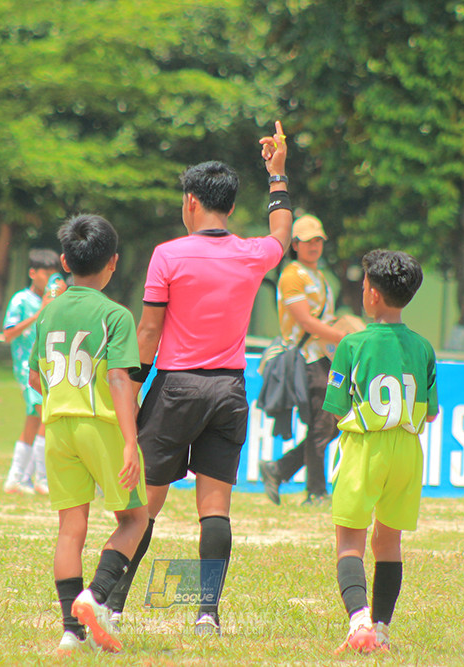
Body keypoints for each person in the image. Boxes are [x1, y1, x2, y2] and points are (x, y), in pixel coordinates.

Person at [103, 122, 293, 635]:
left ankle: (112, 605)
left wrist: (132, 386)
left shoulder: (169, 254)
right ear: (229, 208)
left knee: (145, 507)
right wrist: (277, 176)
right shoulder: (252, 254)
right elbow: (282, 235)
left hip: (175, 388)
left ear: (191, 201)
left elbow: (148, 330)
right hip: (228, 390)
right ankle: (206, 613)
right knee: (215, 510)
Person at [28, 214, 148, 655]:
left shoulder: (48, 314)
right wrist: (131, 440)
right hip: (100, 426)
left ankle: (69, 632)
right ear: (113, 262)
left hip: (57, 426)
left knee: (70, 528)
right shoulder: (115, 315)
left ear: (64, 261)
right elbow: (119, 379)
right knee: (134, 519)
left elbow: (34, 379)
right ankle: (94, 598)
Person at [323, 249, 437, 653]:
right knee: (388, 543)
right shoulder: (423, 347)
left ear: (371, 293)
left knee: (349, 541)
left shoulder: (352, 343)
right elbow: (431, 414)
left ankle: (359, 625)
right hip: (408, 447)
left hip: (366, 444)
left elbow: (336, 407)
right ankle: (383, 630)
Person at [258, 214, 347, 506]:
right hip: (305, 360)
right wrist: (342, 337)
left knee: (330, 425)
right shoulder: (292, 275)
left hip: (322, 359)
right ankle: (316, 493)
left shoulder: (320, 277)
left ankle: (279, 469)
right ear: (295, 244)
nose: (314, 246)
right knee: (324, 424)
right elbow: (306, 322)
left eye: (319, 240)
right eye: (308, 241)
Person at [2, 248, 66, 495]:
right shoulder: (21, 300)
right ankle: (42, 477)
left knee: (34, 420)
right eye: (46, 273)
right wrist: (39, 314)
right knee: (45, 416)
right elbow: (8, 334)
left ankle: (16, 478)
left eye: (54, 273)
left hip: (47, 366)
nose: (50, 278)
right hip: (26, 367)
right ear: (32, 273)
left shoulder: (54, 298)